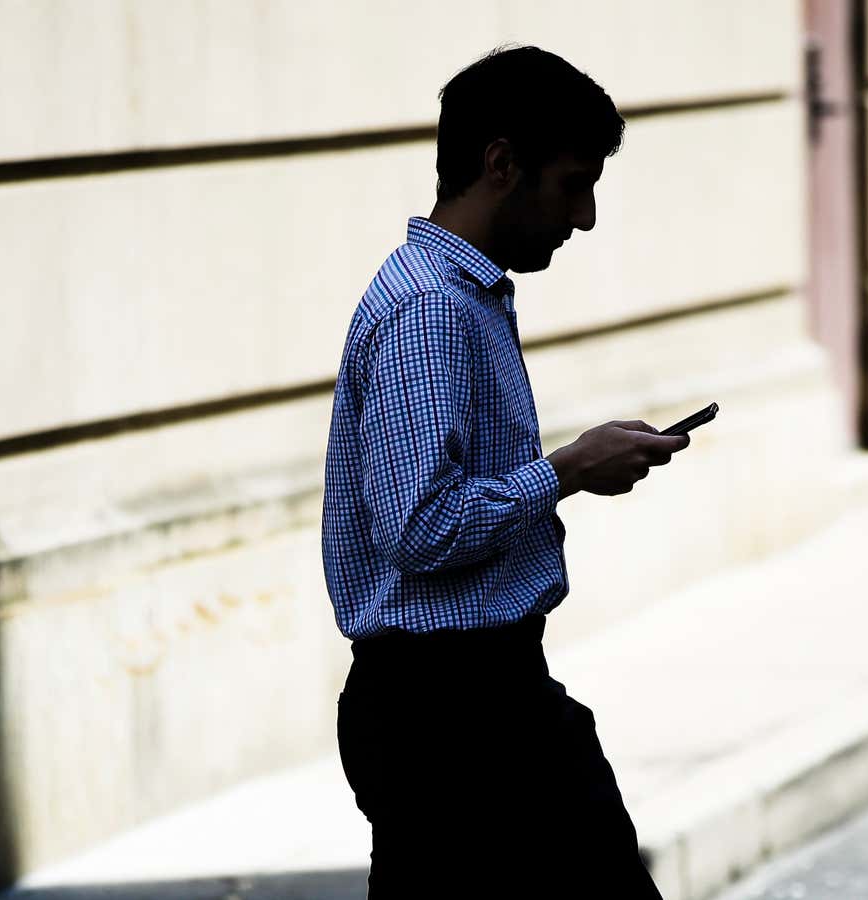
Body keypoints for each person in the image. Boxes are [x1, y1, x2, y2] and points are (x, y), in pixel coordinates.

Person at [321, 45, 689, 898]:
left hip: (482, 701)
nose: (586, 216)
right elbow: (418, 528)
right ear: (500, 164)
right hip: (449, 717)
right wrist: (565, 469)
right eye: (573, 183)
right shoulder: (429, 310)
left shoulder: (462, 295)